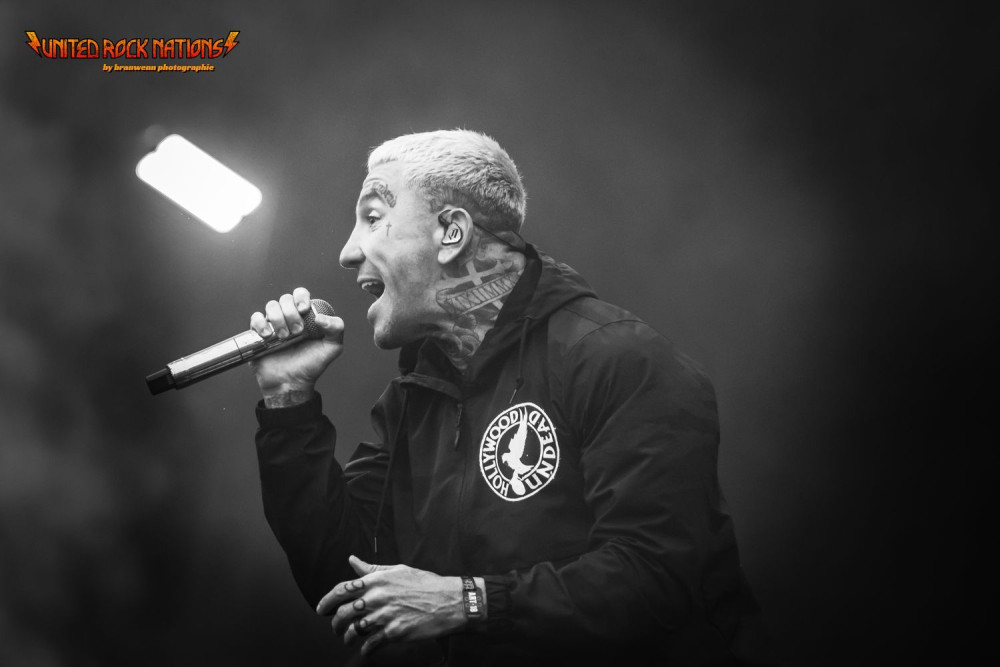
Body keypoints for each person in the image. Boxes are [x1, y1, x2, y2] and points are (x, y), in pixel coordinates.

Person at [249, 130, 773, 666]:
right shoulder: (414, 398)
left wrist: (471, 602)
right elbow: (349, 582)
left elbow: (659, 577)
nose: (347, 251)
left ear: (451, 232)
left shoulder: (619, 359)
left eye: (373, 216)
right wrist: (288, 402)